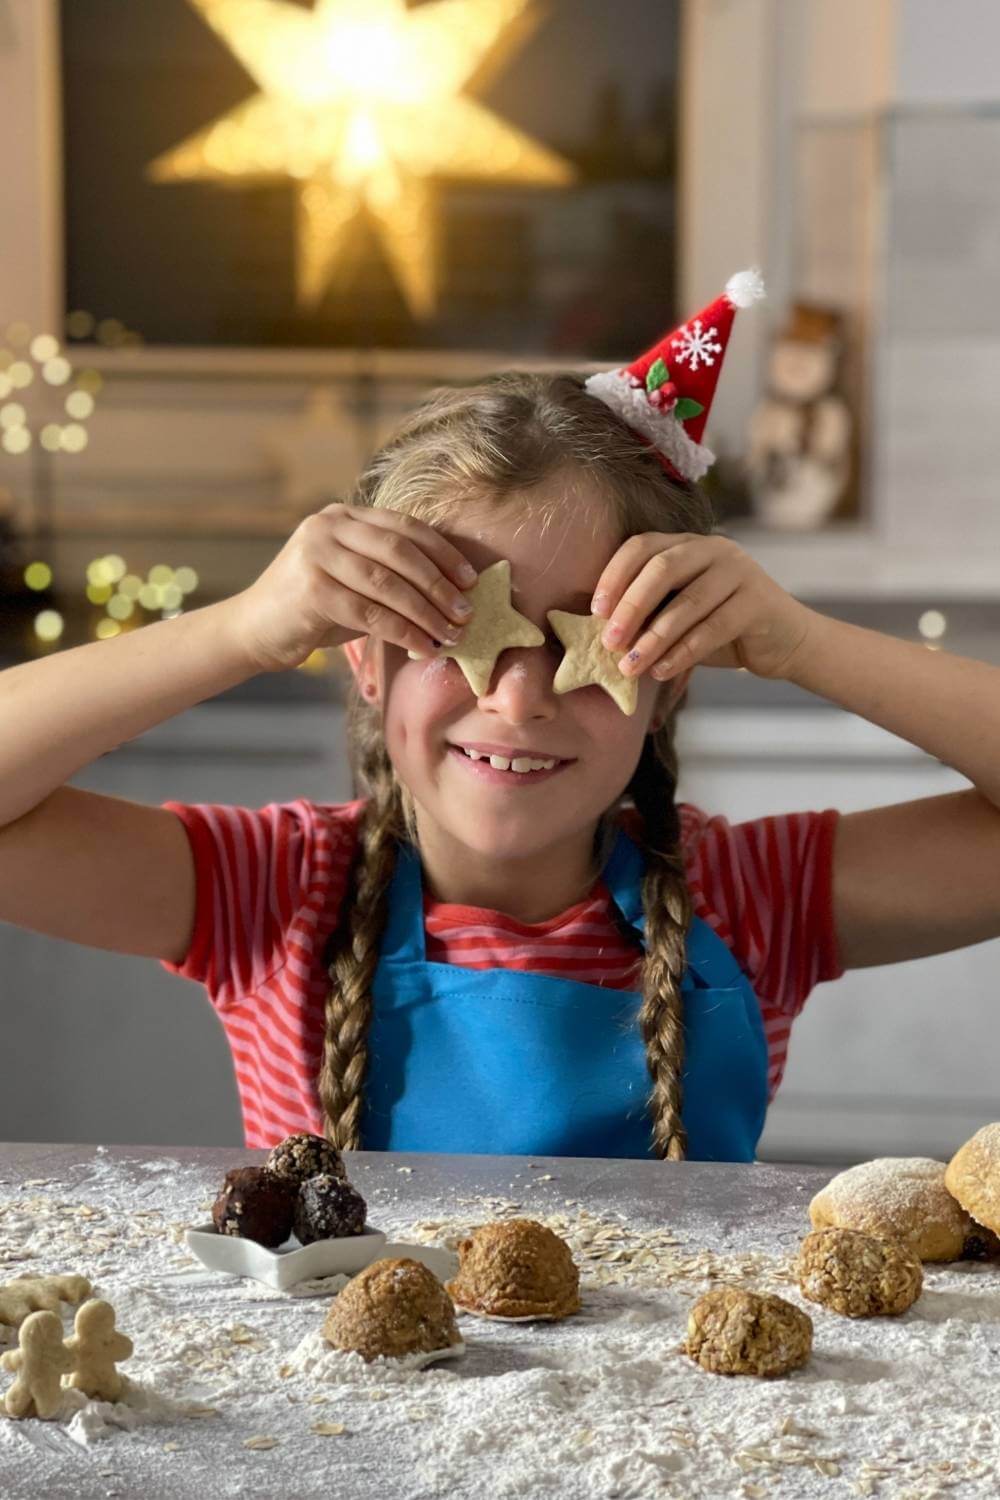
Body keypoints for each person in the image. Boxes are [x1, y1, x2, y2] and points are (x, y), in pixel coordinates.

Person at [1, 274, 998, 1163]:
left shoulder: (747, 900)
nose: (518, 699)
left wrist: (800, 642)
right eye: (454, 632)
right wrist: (243, 630)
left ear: (668, 679)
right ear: (365, 654)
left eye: (581, 642)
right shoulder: (271, 897)